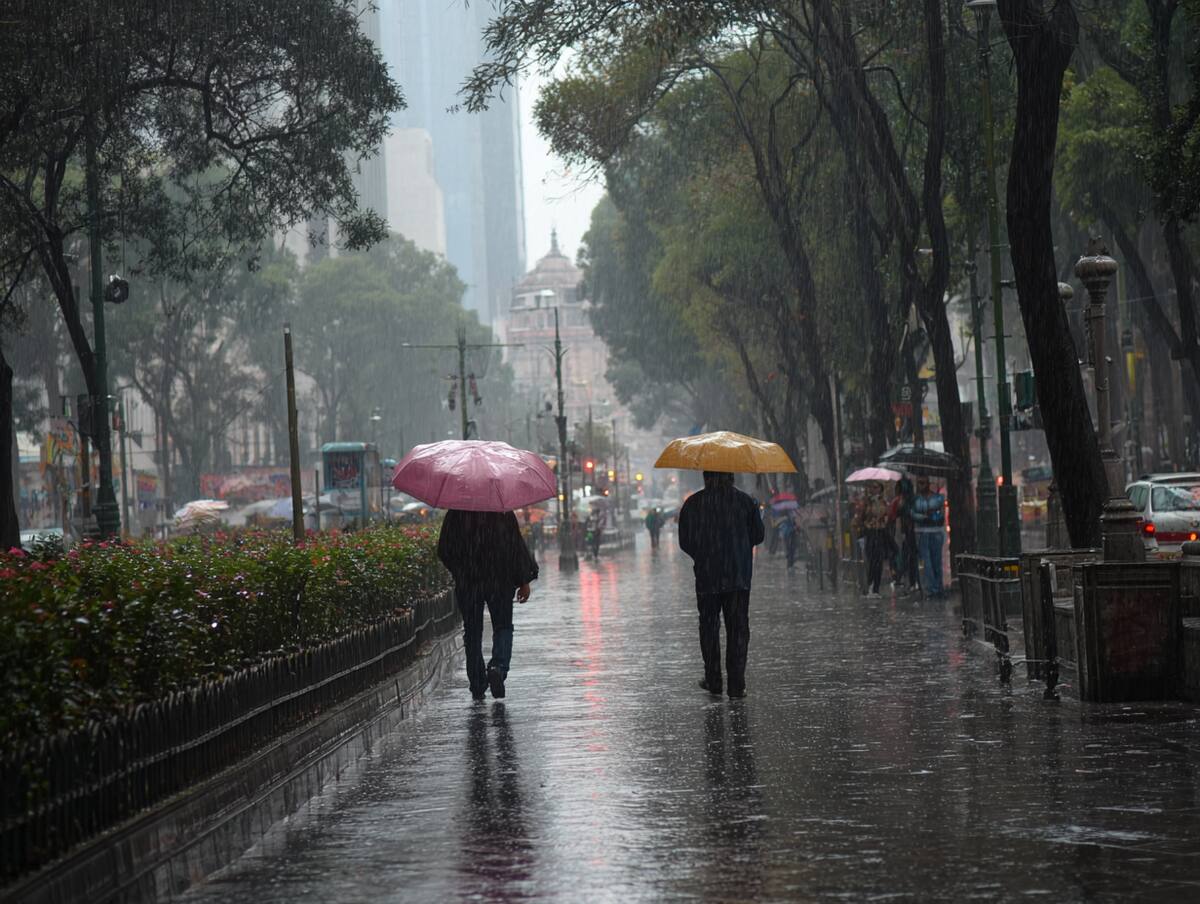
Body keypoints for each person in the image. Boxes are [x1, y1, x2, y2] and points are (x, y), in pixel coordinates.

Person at [678, 471, 766, 698]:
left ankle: (714, 679)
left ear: (705, 477)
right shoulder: (746, 502)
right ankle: (737, 685)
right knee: (737, 628)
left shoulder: (693, 504)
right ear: (732, 476)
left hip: (707, 577)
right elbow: (758, 536)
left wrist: (704, 554)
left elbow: (685, 541)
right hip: (738, 577)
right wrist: (737, 548)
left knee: (709, 627)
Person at [437, 509, 539, 700]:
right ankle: (498, 668)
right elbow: (515, 547)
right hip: (499, 581)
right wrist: (523, 581)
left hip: (469, 584)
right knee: (503, 626)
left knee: (473, 632)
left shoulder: (457, 513)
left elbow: (444, 549)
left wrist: (462, 570)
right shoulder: (501, 511)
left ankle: (477, 682)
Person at [912, 477, 946, 598]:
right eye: (919, 483)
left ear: (928, 484)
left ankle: (937, 586)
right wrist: (924, 517)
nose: (921, 486)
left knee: (936, 561)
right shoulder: (915, 499)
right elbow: (913, 514)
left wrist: (933, 516)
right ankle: (932, 588)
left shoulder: (937, 498)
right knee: (927, 562)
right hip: (922, 533)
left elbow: (941, 515)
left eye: (923, 483)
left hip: (936, 532)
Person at [860, 483, 891, 598]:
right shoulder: (866, 502)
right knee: (871, 561)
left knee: (879, 561)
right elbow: (861, 517)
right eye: (872, 487)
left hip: (881, 533)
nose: (874, 489)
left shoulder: (884, 502)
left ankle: (876, 587)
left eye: (876, 487)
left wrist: (883, 516)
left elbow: (888, 515)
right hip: (870, 533)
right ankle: (869, 585)